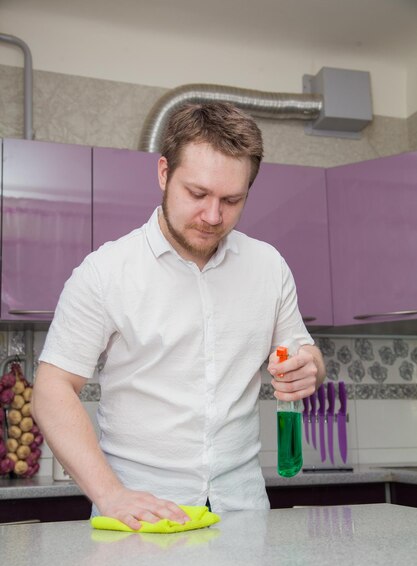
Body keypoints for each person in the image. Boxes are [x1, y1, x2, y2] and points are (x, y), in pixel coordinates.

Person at [32, 102, 325, 529]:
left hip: (241, 516)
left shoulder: (269, 267)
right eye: (197, 193)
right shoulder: (105, 272)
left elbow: (303, 352)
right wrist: (110, 495)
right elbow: (52, 389)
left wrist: (310, 367)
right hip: (140, 518)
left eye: (231, 200)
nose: (212, 216)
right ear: (164, 173)